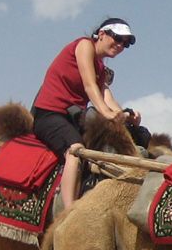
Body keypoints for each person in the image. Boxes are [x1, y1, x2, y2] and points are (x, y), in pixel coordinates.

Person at [31, 17, 144, 214]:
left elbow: (104, 96)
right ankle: (69, 214)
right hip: (50, 114)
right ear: (101, 34)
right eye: (117, 38)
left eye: (125, 44)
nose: (120, 45)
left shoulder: (101, 68)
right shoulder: (84, 45)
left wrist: (126, 115)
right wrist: (107, 114)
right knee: (76, 152)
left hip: (73, 119)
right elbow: (90, 86)